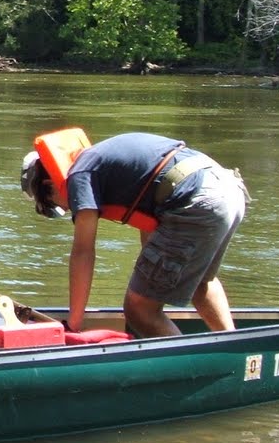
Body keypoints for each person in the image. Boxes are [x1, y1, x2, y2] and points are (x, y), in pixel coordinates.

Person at [19, 130, 248, 337]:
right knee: (202, 282)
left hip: (197, 201)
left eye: (52, 207)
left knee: (139, 309)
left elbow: (83, 252)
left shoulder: (79, 174)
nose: (67, 210)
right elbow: (151, 230)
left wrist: (74, 324)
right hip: (225, 188)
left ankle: (186, 369)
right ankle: (233, 350)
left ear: (50, 185)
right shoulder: (104, 162)